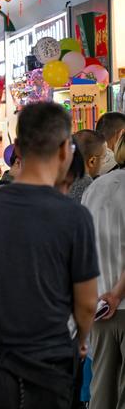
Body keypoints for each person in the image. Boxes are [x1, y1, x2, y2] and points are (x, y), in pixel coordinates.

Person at [0, 102, 99, 409]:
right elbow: (87, 302)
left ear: (18, 148)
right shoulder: (74, 216)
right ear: (66, 150)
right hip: (47, 368)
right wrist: (82, 340)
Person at [82, 166, 125, 408]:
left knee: (101, 387)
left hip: (99, 306)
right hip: (116, 299)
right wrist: (117, 294)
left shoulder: (95, 188)